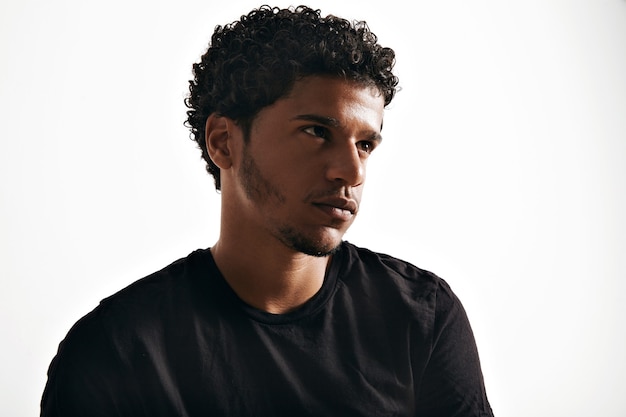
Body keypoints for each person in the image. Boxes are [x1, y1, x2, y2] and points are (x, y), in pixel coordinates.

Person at [41, 5, 494, 416]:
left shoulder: (421, 317)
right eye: (317, 131)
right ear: (223, 141)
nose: (351, 171)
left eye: (365, 145)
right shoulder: (114, 350)